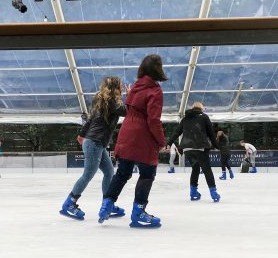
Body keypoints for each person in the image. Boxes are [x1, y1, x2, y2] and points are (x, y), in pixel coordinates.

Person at [98, 54, 167, 228]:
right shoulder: (155, 90)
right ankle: (138, 213)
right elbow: (153, 120)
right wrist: (161, 141)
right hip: (143, 136)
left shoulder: (135, 87)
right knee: (147, 174)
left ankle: (106, 205)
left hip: (126, 133)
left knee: (122, 173)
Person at [60, 77, 127, 220]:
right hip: (95, 142)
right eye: (120, 86)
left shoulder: (100, 99)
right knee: (88, 174)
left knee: (109, 172)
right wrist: (132, 95)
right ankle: (69, 203)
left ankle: (107, 204)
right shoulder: (112, 101)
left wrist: (82, 133)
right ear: (116, 87)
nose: (122, 88)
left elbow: (90, 119)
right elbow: (127, 111)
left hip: (96, 142)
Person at [167, 102, 221, 203]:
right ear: (201, 109)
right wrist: (217, 146)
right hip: (200, 147)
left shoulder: (185, 118)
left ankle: (193, 192)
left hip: (187, 148)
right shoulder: (204, 117)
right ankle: (213, 192)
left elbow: (177, 132)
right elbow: (211, 134)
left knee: (195, 169)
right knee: (207, 170)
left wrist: (169, 143)